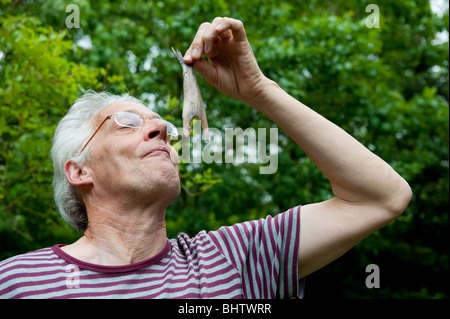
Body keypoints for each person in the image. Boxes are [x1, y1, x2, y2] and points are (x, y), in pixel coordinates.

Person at [0, 17, 411, 299]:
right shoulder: (17, 282)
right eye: (126, 122)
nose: (160, 129)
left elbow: (379, 198)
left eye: (164, 124)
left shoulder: (232, 259)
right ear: (79, 170)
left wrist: (258, 90)